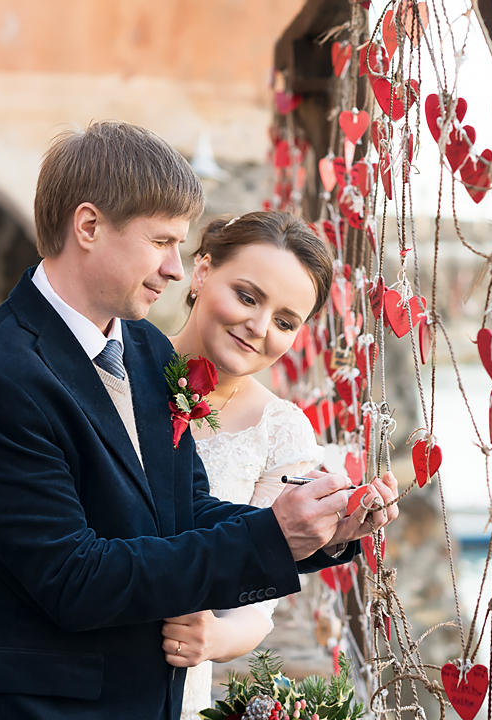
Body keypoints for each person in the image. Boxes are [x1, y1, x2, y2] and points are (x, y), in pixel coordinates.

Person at [0, 121, 397, 719]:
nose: (175, 268)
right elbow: (75, 579)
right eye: (162, 242)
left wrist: (322, 531)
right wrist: (269, 537)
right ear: (88, 226)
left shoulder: (145, 350)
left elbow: (187, 512)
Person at [158, 212, 399, 718]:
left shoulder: (282, 429)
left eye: (286, 321)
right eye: (247, 296)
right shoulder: (120, 365)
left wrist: (215, 638)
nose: (259, 327)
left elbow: (260, 595)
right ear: (201, 272)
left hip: (174, 682)